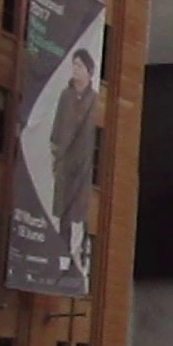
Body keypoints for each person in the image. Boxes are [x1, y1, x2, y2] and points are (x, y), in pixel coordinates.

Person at [50, 48, 99, 279]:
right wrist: (55, 158)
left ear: (89, 70)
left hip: (84, 168)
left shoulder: (95, 99)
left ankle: (78, 259)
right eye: (74, 65)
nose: (75, 69)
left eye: (79, 65)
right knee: (63, 213)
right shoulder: (65, 96)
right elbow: (56, 132)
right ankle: (62, 258)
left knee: (79, 213)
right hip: (65, 165)